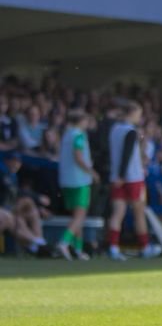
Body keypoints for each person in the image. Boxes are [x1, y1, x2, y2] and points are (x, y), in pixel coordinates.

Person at [106, 100, 161, 261]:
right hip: (132, 177)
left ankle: (113, 247)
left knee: (117, 213)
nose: (140, 117)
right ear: (132, 114)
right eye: (139, 113)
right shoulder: (130, 131)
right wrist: (124, 175)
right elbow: (127, 153)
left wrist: (118, 175)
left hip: (116, 176)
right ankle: (145, 247)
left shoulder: (114, 129)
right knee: (139, 213)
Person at [56, 110, 99, 261]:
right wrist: (92, 172)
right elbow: (78, 157)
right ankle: (64, 242)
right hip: (79, 180)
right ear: (81, 121)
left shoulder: (66, 135)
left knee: (76, 217)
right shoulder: (79, 135)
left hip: (66, 181)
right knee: (80, 216)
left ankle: (78, 250)